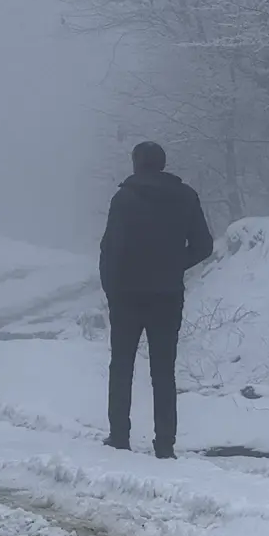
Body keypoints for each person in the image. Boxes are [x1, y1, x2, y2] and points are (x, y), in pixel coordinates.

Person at [99, 141, 213, 459]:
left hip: (126, 295)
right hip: (167, 295)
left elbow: (110, 248)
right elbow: (204, 246)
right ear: (162, 163)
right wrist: (174, 265)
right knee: (164, 371)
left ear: (137, 163)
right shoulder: (186, 196)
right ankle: (164, 444)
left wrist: (111, 288)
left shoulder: (124, 198)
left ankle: (119, 436)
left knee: (121, 366)